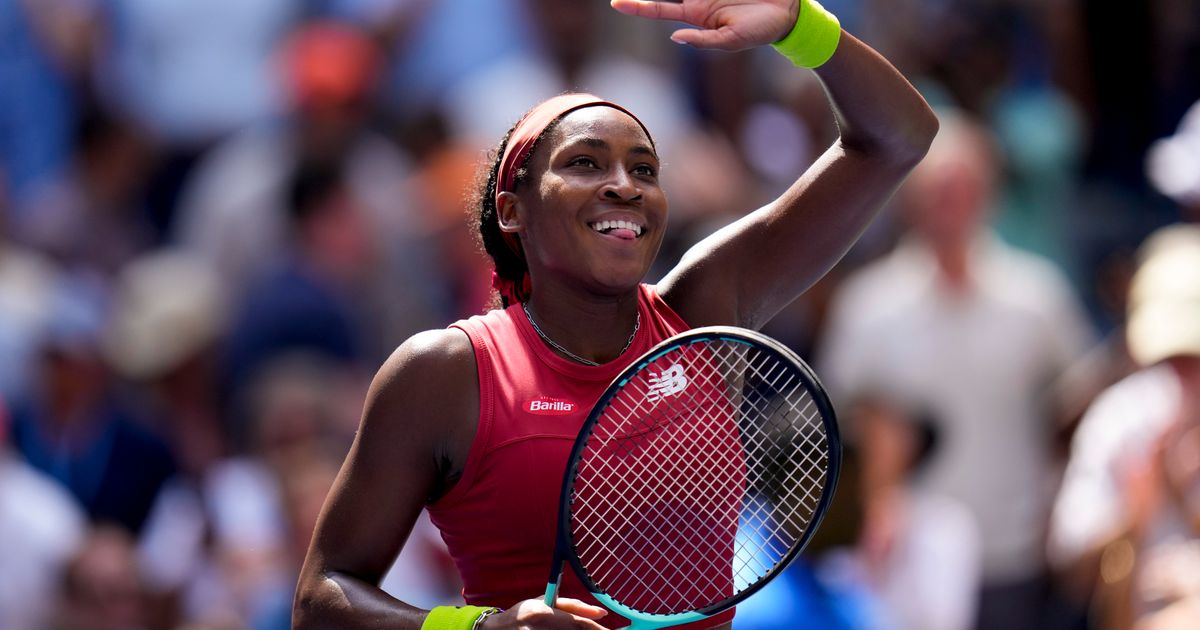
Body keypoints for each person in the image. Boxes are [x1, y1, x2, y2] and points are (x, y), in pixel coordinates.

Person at [293, 1, 938, 628]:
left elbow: (900, 137)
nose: (625, 185)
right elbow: (322, 598)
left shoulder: (703, 312)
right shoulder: (444, 373)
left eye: (645, 169)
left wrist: (801, 24)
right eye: (584, 163)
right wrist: (476, 629)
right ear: (513, 209)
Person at [818, 110, 1094, 630]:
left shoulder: (1038, 297)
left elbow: (1078, 410)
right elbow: (840, 435)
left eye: (963, 188)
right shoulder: (868, 305)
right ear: (909, 200)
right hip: (908, 565)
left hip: (1016, 554)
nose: (951, 203)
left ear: (988, 193)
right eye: (937, 190)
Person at [1048, 224, 1200, 629]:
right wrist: (1133, 515)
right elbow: (1070, 573)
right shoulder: (1120, 418)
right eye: (1173, 357)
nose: (1183, 372)